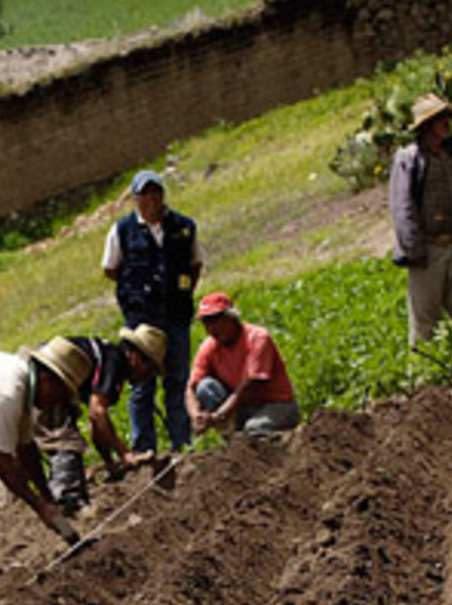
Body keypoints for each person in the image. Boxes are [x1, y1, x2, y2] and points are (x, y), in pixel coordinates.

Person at [102, 168, 204, 454]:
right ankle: (143, 445)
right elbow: (110, 269)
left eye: (155, 192)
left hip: (176, 317)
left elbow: (195, 265)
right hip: (141, 323)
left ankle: (181, 444)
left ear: (162, 195)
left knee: (177, 379)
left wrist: (179, 293)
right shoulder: (122, 230)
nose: (151, 199)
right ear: (135, 198)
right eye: (144, 194)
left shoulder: (184, 226)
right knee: (141, 385)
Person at [0, 339, 91, 544]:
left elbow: (26, 449)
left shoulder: (23, 386)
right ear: (48, 378)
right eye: (62, 394)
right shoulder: (6, 394)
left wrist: (47, 497)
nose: (57, 403)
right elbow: (2, 463)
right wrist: (40, 507)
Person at [39, 325, 167, 515]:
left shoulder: (109, 358)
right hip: (48, 377)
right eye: (149, 370)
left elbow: (95, 425)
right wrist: (124, 453)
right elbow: (97, 413)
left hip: (50, 376)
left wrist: (110, 462)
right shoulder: (114, 362)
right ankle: (69, 505)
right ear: (136, 357)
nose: (146, 378)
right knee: (65, 442)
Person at [388, 92, 452, 346]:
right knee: (425, 319)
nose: (446, 122)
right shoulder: (410, 159)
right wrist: (414, 249)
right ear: (427, 126)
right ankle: (425, 376)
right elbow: (402, 207)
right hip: (426, 249)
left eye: (446, 117)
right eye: (440, 119)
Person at [186, 292, 300, 437]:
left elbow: (251, 385)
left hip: (275, 405)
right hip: (241, 407)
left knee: (254, 430)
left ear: (231, 317)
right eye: (206, 324)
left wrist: (220, 414)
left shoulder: (257, 337)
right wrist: (196, 415)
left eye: (215, 321)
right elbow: (191, 387)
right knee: (205, 387)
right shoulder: (209, 346)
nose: (211, 329)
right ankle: (233, 435)